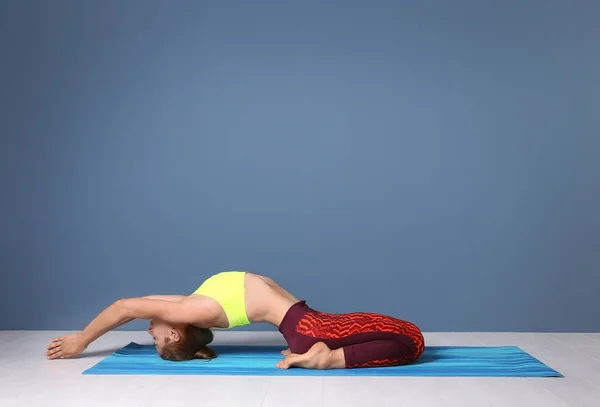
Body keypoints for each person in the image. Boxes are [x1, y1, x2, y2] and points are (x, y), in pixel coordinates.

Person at [45, 271, 424, 369]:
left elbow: (130, 304)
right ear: (176, 330)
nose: (149, 331)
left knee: (409, 338)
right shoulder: (191, 310)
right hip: (309, 331)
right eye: (157, 339)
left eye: (154, 338)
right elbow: (129, 307)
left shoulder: (190, 303)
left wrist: (84, 338)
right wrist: (84, 340)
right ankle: (327, 360)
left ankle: (324, 356)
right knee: (412, 340)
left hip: (311, 325)